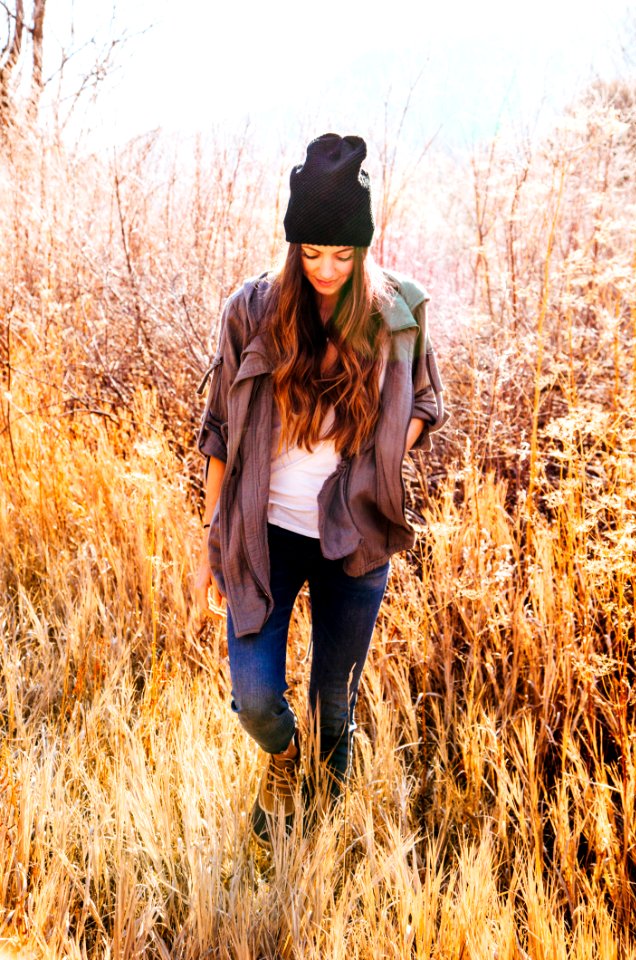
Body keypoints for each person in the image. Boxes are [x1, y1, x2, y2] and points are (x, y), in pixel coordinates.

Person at [195, 133, 446, 846]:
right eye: (313, 253)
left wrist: (382, 459)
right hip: (262, 533)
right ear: (292, 246)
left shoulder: (397, 312)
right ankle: (282, 758)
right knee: (254, 700)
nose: (329, 270)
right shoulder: (251, 311)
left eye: (344, 254)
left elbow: (428, 405)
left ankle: (314, 835)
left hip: (354, 535)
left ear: (364, 247)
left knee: (337, 708)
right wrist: (209, 542)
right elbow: (218, 431)